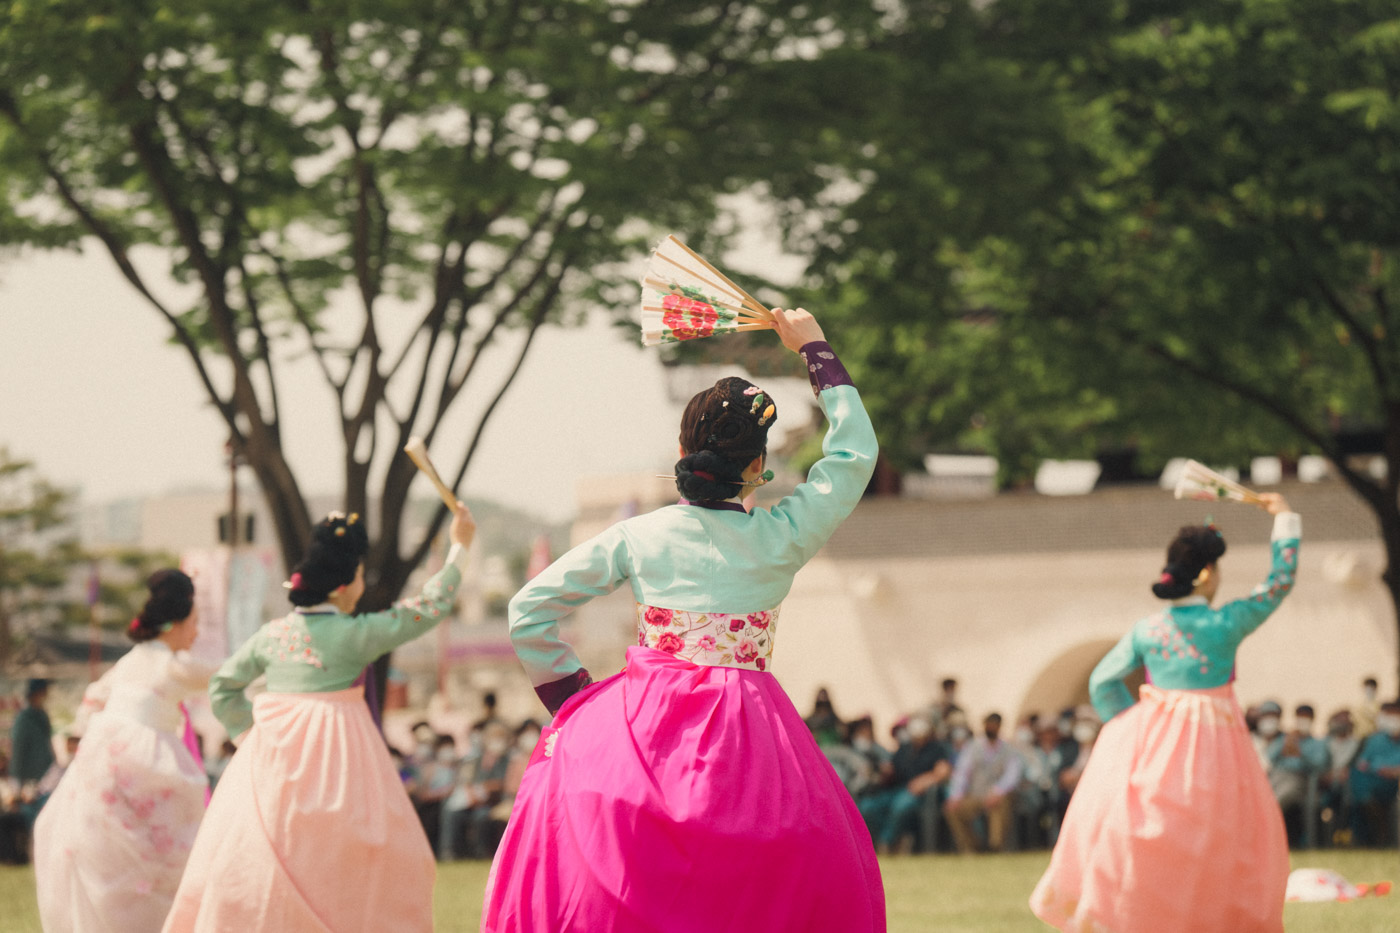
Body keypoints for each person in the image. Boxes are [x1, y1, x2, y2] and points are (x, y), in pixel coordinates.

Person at [481, 309, 884, 932]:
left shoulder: (639, 535)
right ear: (758, 466)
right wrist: (816, 351)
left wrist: (571, 700)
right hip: (752, 736)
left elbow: (529, 609)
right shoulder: (782, 536)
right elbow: (855, 455)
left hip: (640, 725)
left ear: (681, 451)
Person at [163, 505, 475, 932]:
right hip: (343, 763)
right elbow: (430, 605)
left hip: (268, 761)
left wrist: (248, 735)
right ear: (345, 586)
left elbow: (223, 687)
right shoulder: (355, 634)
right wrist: (460, 546)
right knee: (358, 865)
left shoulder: (272, 635)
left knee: (262, 859)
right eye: (360, 575)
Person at [1031, 494, 1300, 933]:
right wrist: (1284, 519)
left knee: (1141, 836)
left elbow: (1103, 681)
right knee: (1219, 840)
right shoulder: (1227, 623)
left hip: (1150, 741)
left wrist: (1126, 723)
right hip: (1217, 746)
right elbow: (1279, 583)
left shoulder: (1148, 629)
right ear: (1209, 573)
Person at [34, 569, 214, 933]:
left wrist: (93, 735)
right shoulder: (172, 665)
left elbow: (92, 699)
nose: (197, 633)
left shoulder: (131, 660)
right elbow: (226, 675)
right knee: (166, 859)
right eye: (193, 623)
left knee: (107, 860)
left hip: (103, 759)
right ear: (173, 625)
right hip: (141, 761)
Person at [857, 710, 951, 853]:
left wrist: (924, 781)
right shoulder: (905, 748)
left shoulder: (937, 748)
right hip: (897, 789)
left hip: (920, 795)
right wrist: (882, 772)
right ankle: (881, 841)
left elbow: (943, 772)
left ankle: (885, 843)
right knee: (868, 807)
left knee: (900, 806)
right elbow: (892, 769)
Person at [944, 712, 1023, 854]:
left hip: (997, 795)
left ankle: (995, 847)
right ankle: (972, 847)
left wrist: (998, 791)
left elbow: (1012, 775)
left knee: (1000, 806)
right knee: (953, 810)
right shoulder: (972, 747)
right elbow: (962, 773)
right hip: (976, 795)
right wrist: (956, 796)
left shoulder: (1009, 750)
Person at [1268, 703, 1330, 846]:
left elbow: (1319, 766)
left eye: (1306, 717)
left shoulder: (1318, 743)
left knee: (1281, 796)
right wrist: (1287, 742)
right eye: (1299, 717)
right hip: (1278, 777)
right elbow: (1270, 757)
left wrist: (1301, 754)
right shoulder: (1285, 739)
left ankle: (1268, 836)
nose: (1302, 721)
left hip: (1302, 781)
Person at [1347, 700, 1400, 846]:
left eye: (1394, 715)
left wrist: (1395, 771)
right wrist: (1378, 769)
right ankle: (1371, 831)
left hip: (1394, 784)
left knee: (1361, 790)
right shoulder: (1375, 739)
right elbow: (1363, 763)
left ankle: (1377, 831)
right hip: (1375, 780)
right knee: (1357, 776)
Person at [10, 679, 54, 787]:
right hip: (30, 779)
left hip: (45, 775)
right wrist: (17, 780)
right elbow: (18, 748)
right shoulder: (24, 718)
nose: (45, 695)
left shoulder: (42, 714)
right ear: (36, 693)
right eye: (43, 692)